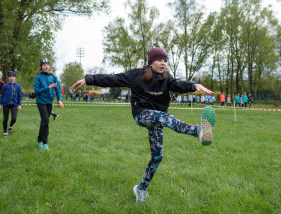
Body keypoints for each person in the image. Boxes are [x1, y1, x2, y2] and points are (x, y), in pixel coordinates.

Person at [71, 47, 216, 203]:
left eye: (165, 61)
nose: (163, 63)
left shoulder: (167, 78)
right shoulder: (137, 75)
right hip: (142, 114)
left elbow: (179, 85)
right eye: (160, 60)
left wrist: (194, 86)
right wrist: (88, 79)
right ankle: (196, 131)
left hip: (157, 119)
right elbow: (113, 79)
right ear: (151, 62)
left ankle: (141, 188)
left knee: (157, 156)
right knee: (164, 118)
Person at [34, 58, 64, 150]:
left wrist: (60, 100)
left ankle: (39, 140)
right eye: (44, 65)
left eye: (47, 64)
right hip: (41, 101)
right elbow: (37, 91)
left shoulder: (53, 77)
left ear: (49, 66)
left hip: (49, 102)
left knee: (44, 122)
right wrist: (48, 87)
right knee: (46, 120)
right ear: (41, 67)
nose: (46, 66)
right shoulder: (38, 77)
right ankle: (45, 143)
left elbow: (58, 89)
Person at [0, 71, 22, 137]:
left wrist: (19, 104)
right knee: (5, 119)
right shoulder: (5, 86)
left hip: (14, 104)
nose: (12, 78)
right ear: (8, 78)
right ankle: (5, 132)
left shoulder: (18, 86)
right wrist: (0, 105)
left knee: (14, 118)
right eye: (10, 77)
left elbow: (20, 96)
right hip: (6, 104)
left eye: (13, 77)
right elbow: (2, 95)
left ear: (15, 78)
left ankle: (10, 126)